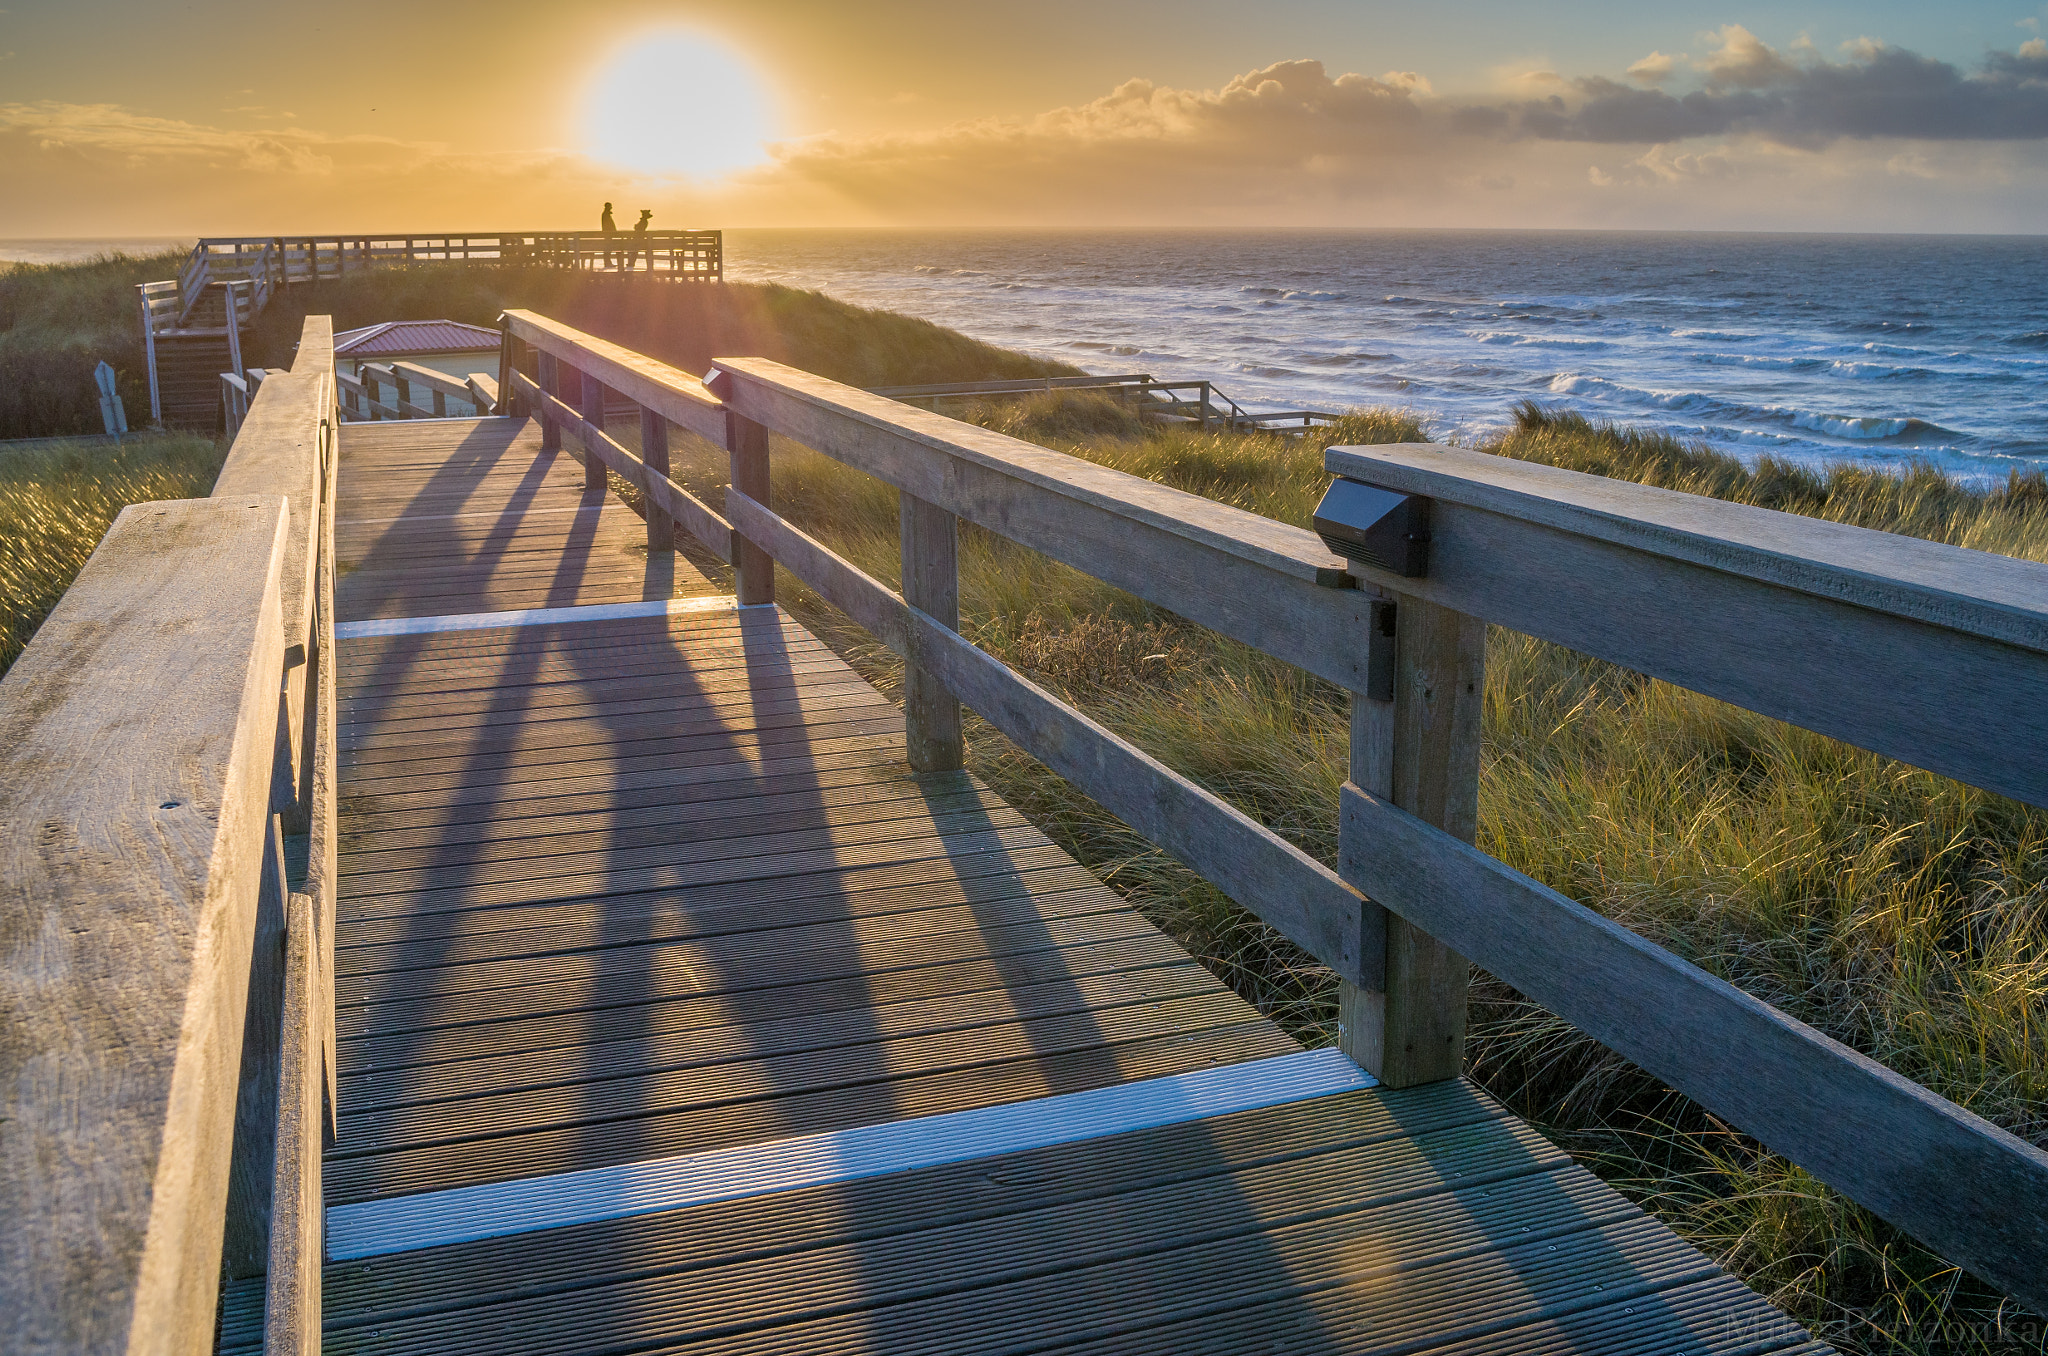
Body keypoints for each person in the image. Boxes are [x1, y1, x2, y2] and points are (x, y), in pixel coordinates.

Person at [600, 202, 616, 269]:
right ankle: (607, 263)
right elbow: (608, 224)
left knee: (608, 249)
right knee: (608, 249)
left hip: (607, 234)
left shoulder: (605, 214)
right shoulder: (606, 214)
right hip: (608, 234)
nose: (611, 208)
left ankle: (608, 262)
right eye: (610, 206)